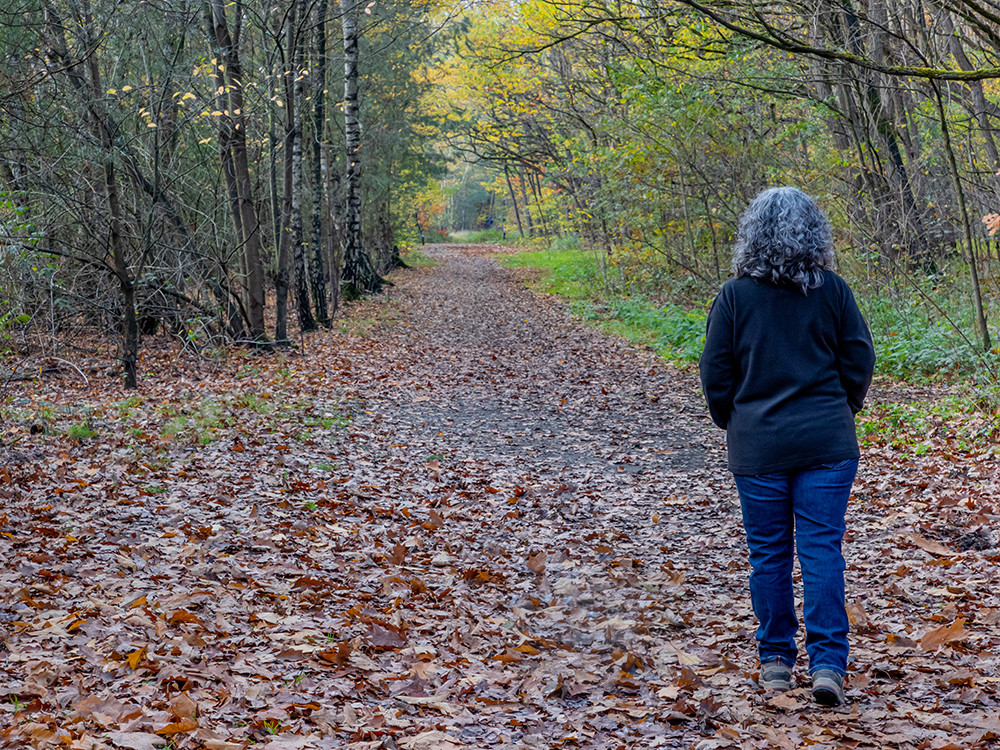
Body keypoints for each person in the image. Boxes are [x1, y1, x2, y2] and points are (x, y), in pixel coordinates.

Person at [699, 187, 875, 707]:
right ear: (813, 232)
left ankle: (776, 662)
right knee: (822, 550)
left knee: (769, 555)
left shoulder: (734, 297)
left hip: (759, 445)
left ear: (752, 233)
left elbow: (715, 372)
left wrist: (736, 420)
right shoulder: (834, 291)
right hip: (826, 440)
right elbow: (859, 360)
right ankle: (827, 665)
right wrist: (840, 409)